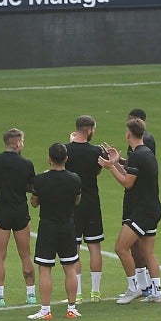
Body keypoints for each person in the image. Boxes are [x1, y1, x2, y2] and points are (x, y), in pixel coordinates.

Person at [99, 117, 161, 303]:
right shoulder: (146, 153)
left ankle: (133, 288)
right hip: (153, 209)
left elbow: (127, 183)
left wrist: (111, 166)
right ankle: (157, 291)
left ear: (128, 134)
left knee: (120, 247)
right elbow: (132, 173)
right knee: (148, 252)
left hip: (142, 211)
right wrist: (116, 161)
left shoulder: (137, 155)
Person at [26, 142, 83, 321]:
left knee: (45, 269)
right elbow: (77, 201)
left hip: (48, 228)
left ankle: (45, 310)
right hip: (67, 226)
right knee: (70, 268)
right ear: (66, 158)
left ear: (49, 159)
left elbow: (34, 203)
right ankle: (72, 308)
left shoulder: (40, 180)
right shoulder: (75, 179)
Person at [0, 128, 36, 307]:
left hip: (1, 211)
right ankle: (31, 294)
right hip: (20, 211)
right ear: (17, 143)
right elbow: (31, 187)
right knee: (26, 255)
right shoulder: (26, 163)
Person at [64, 115, 108, 299]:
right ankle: (95, 291)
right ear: (89, 130)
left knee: (74, 248)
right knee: (94, 246)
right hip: (92, 201)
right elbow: (99, 170)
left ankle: (78, 293)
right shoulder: (97, 151)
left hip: (72, 203)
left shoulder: (66, 150)